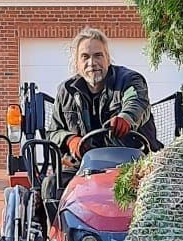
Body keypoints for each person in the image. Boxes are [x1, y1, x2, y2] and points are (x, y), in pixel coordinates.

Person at [45, 30, 158, 187]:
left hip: (133, 167)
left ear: (108, 58)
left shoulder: (129, 80)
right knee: (50, 185)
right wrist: (70, 140)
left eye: (98, 55)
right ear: (76, 63)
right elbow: (53, 132)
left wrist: (126, 118)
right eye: (85, 57)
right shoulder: (66, 91)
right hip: (84, 169)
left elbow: (136, 102)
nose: (92, 62)